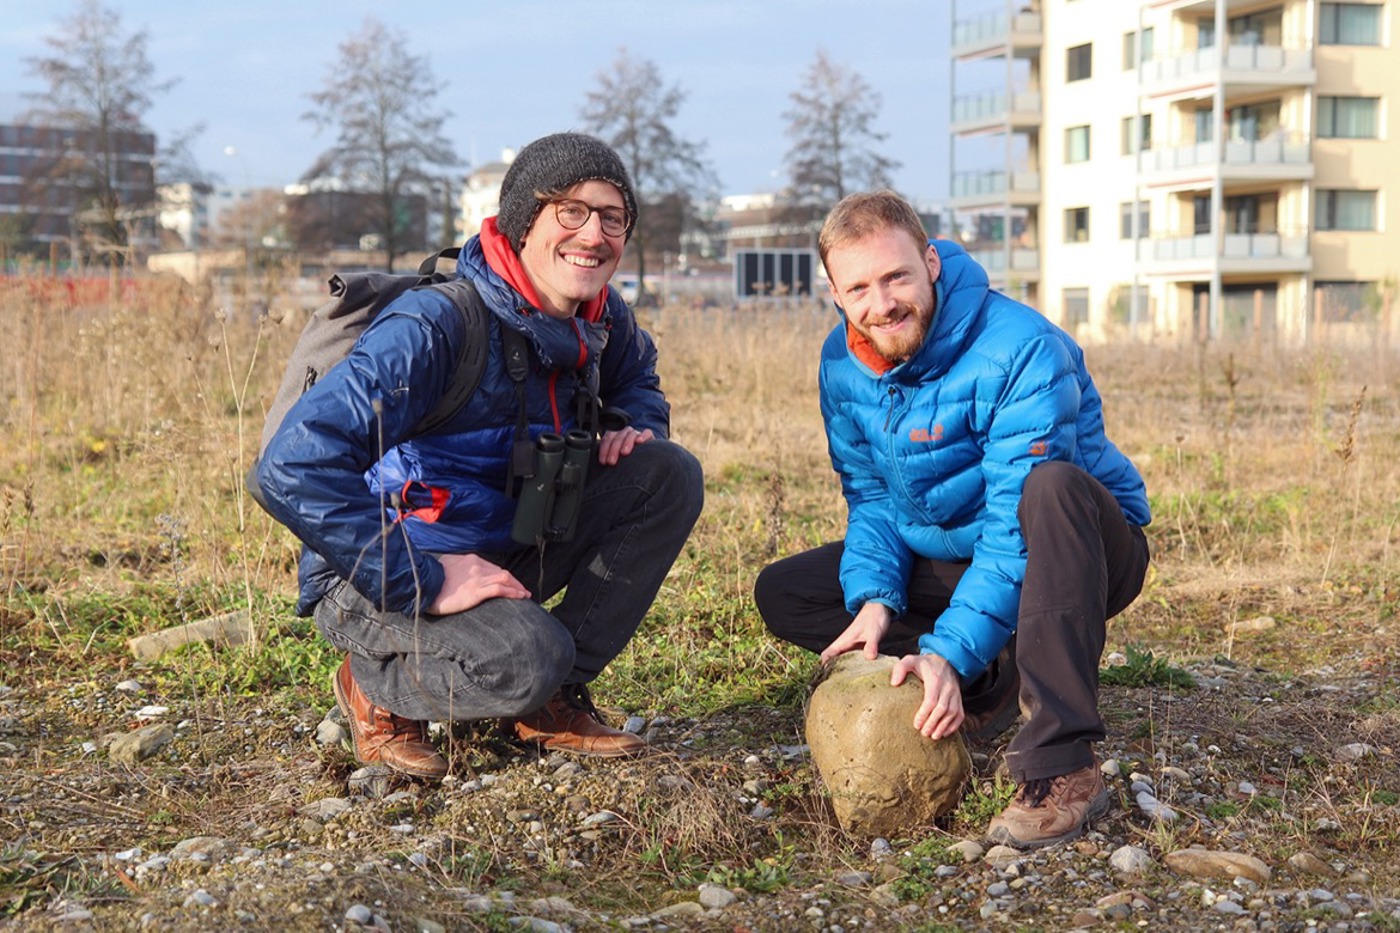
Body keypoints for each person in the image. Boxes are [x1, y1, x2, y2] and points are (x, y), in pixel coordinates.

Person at [256, 133, 704, 780]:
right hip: (380, 567)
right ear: (524, 222)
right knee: (528, 655)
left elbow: (637, 379)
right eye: (571, 211)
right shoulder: (436, 326)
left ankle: (544, 702)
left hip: (504, 539)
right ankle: (375, 683)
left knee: (667, 474)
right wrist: (426, 580)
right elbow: (290, 465)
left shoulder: (602, 319)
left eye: (613, 217)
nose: (595, 233)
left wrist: (633, 423)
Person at [754, 190, 1150, 848]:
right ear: (834, 292)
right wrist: (877, 599)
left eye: (896, 277)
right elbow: (872, 496)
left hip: (1074, 546)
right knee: (787, 590)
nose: (882, 304)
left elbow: (1013, 529)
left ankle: (1063, 767)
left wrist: (944, 648)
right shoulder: (842, 362)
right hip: (959, 552)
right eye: (859, 288)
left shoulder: (1020, 347)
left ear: (931, 262)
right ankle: (988, 682)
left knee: (1050, 489)